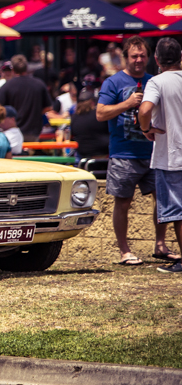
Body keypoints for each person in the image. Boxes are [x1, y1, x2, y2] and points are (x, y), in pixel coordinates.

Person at [96, 36, 173, 266]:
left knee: (162, 199)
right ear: (125, 57)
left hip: (154, 152)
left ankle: (160, 245)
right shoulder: (113, 82)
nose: (138, 60)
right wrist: (127, 104)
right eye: (134, 56)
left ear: (150, 58)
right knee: (123, 202)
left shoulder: (155, 81)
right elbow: (100, 113)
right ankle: (124, 251)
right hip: (124, 154)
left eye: (142, 56)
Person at [139, 37, 182, 273]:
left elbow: (145, 109)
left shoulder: (156, 82)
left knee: (179, 212)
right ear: (180, 58)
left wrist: (146, 128)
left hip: (172, 156)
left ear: (156, 60)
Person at [0, 54, 51, 142]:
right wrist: (35, 113)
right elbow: (48, 107)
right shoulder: (39, 84)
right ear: (27, 68)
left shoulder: (7, 86)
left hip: (12, 134)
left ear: (12, 69)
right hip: (33, 134)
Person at [70, 89, 108, 161]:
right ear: (92, 102)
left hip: (82, 154)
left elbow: (72, 134)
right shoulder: (98, 115)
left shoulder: (74, 117)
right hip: (101, 153)